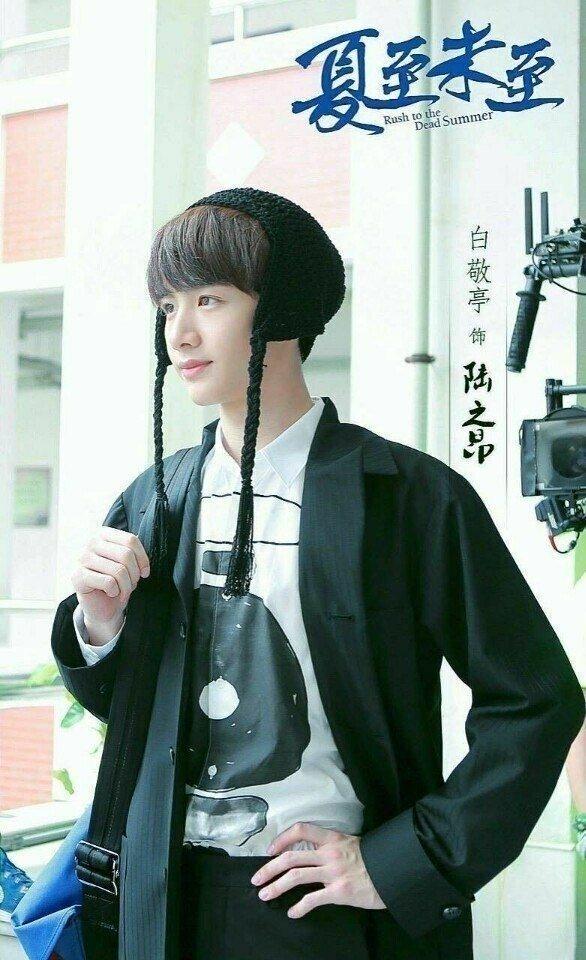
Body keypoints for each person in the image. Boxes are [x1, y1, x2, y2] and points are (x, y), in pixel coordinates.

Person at [52, 188, 586, 960]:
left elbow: (536, 699)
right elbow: (139, 715)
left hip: (325, 912)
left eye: (209, 300)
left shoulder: (408, 497)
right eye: (168, 306)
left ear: (282, 309)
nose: (180, 333)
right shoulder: (156, 498)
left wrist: (405, 860)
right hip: (163, 905)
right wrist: (98, 624)